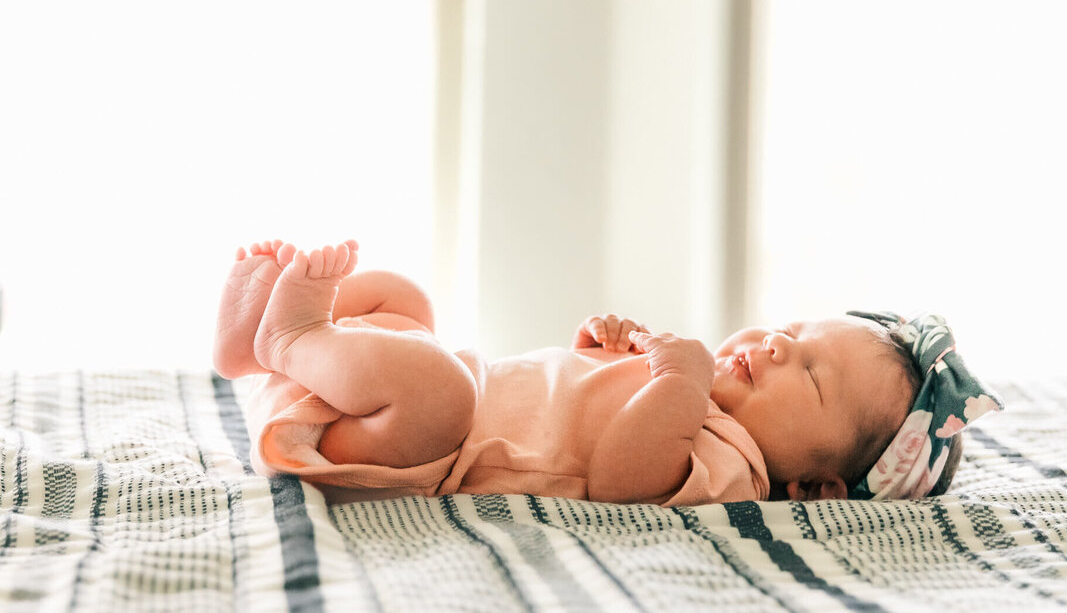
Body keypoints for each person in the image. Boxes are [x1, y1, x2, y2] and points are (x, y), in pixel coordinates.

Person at [214, 240, 1003, 505]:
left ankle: (291, 342)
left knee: (441, 390)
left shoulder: (737, 469)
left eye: (811, 376)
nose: (771, 345)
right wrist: (600, 346)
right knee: (404, 300)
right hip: (403, 390)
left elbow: (623, 476)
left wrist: (680, 387)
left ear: (821, 487)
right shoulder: (691, 395)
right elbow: (567, 401)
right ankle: (255, 350)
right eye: (792, 334)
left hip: (417, 445)